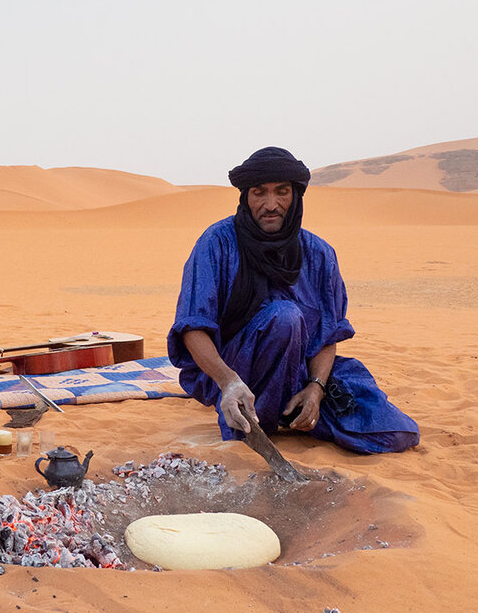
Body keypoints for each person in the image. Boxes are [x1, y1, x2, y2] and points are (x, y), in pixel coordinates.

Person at [167, 147, 419, 454]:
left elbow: (328, 334)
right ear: (246, 197)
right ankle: (253, 419)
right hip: (237, 372)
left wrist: (315, 390)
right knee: (284, 317)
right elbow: (193, 327)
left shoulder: (319, 253)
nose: (270, 205)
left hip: (299, 373)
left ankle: (292, 413)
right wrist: (228, 382)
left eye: (281, 192)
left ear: (295, 196)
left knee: (393, 432)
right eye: (259, 193)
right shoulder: (216, 243)